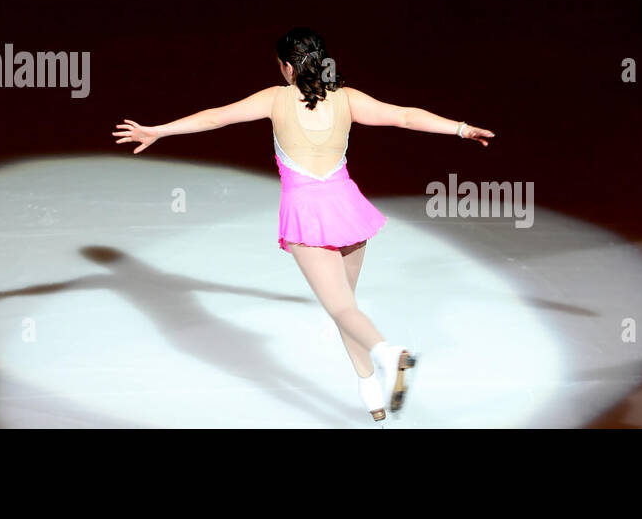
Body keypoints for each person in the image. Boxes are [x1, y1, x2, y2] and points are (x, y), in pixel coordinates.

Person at [111, 27, 494, 425]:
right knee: (346, 308)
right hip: (348, 208)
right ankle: (370, 394)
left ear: (288, 67)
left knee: (342, 308)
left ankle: (388, 354)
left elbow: (215, 118)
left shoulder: (275, 99)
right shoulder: (347, 99)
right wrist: (461, 128)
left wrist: (158, 129)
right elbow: (402, 116)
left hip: (308, 215)